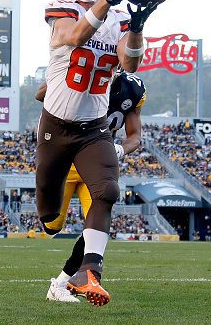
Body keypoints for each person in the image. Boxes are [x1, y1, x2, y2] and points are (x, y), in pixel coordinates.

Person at [35, 0, 157, 307]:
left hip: (94, 129)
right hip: (56, 126)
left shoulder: (117, 19)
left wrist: (136, 26)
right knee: (49, 218)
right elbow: (73, 36)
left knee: (108, 191)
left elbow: (130, 63)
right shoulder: (63, 9)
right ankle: (56, 233)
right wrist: (107, 2)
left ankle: (89, 272)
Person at [39, 71, 146, 303]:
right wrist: (67, 77)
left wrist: (119, 149)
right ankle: (68, 278)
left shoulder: (132, 88)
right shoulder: (82, 68)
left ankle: (63, 282)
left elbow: (135, 135)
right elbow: (40, 95)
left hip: (96, 162)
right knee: (52, 226)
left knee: (96, 227)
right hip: (65, 159)